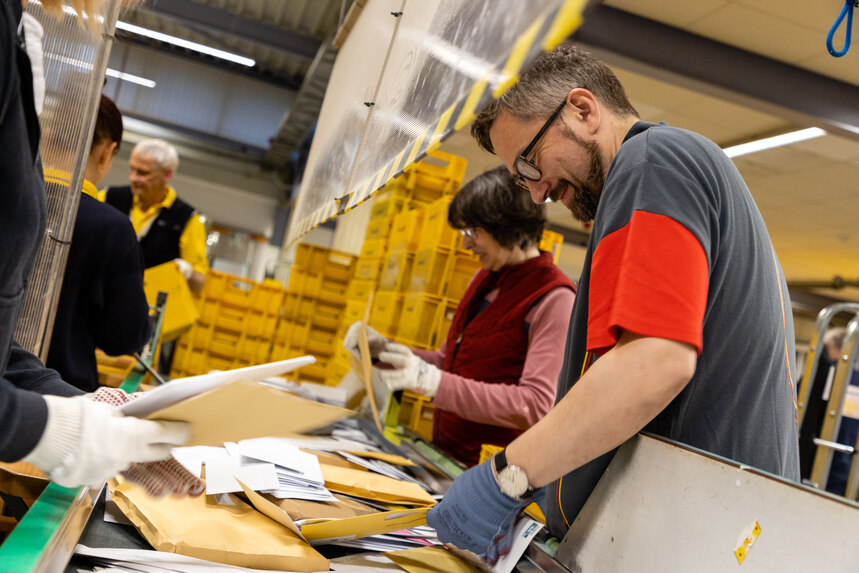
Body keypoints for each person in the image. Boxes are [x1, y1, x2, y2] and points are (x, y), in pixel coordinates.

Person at [426, 44, 800, 564]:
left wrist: (508, 477)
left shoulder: (654, 162)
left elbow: (654, 361)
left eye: (530, 166)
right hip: (707, 530)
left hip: (699, 538)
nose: (535, 195)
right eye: (521, 180)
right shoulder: (667, 174)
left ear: (582, 109)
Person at [0, 0, 202, 497]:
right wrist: (59, 428)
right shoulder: (113, 221)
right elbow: (122, 333)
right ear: (112, 155)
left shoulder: (19, 37)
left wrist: (75, 406)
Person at [345, 167, 576, 466]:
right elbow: (448, 362)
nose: (466, 244)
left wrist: (433, 382)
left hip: (493, 474)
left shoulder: (554, 298)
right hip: (449, 458)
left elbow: (534, 404)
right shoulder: (483, 279)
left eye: (473, 232)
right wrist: (386, 353)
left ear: (506, 226)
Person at [45, 95, 152, 392]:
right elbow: (123, 338)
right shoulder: (111, 229)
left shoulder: (14, 198)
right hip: (61, 401)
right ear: (108, 152)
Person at [104, 138, 208, 293]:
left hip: (146, 306)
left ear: (167, 174)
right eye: (132, 169)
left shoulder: (187, 219)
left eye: (143, 173)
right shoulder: (109, 197)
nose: (133, 178)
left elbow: (199, 284)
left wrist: (187, 271)